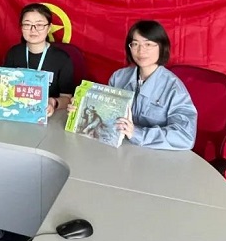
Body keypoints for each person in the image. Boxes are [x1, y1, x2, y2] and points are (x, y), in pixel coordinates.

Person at [69, 20, 197, 150]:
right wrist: (80, 110)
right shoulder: (119, 77)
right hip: (120, 149)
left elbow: (185, 136)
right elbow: (107, 116)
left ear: (162, 47)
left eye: (148, 44)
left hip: (156, 154)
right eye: (135, 44)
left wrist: (136, 133)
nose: (141, 51)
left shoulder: (174, 88)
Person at [0, 3, 74, 116]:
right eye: (27, 24)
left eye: (39, 25)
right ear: (21, 27)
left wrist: (53, 102)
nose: (33, 30)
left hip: (47, 116)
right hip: (16, 113)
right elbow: (5, 87)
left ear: (48, 28)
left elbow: (67, 98)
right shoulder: (14, 53)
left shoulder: (62, 59)